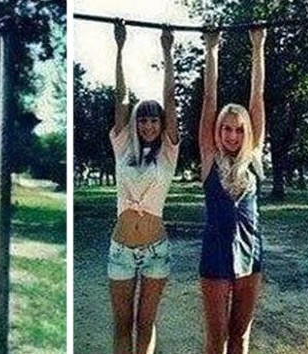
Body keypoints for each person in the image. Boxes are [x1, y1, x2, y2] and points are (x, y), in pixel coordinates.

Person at [109, 20, 179, 354]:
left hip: (156, 252)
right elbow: (121, 97)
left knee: (145, 325)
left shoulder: (168, 153)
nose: (149, 124)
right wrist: (120, 46)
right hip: (121, 250)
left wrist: (167, 50)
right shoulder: (123, 147)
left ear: (161, 124)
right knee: (122, 326)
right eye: (144, 119)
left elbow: (169, 96)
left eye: (154, 120)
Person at [198, 28, 266, 354]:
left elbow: (257, 98)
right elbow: (209, 99)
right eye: (227, 128)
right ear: (218, 130)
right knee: (217, 340)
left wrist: (258, 46)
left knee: (240, 336)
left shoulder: (252, 159)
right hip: (215, 256)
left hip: (251, 256)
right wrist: (212, 49)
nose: (233, 135)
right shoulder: (210, 159)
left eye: (239, 129)